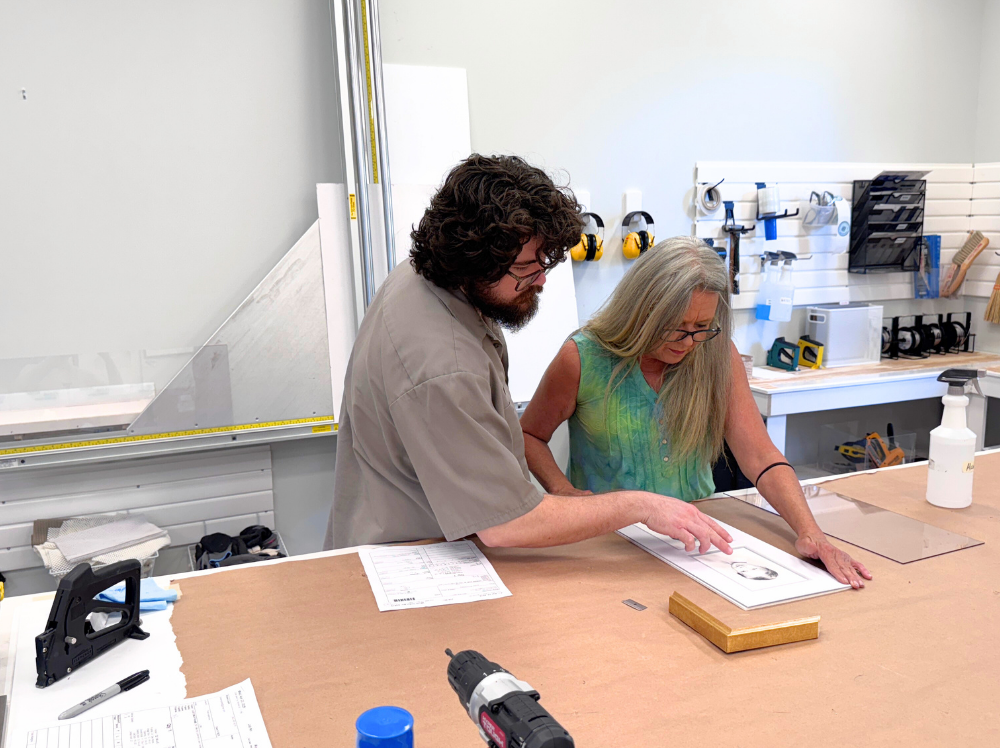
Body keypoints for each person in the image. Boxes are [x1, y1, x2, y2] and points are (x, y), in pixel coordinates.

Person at [324, 155, 733, 557]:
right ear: (471, 264)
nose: (540, 278)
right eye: (524, 267)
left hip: (433, 533)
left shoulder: (426, 277)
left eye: (543, 260)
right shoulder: (443, 365)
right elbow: (505, 524)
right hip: (413, 556)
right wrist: (640, 505)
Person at [520, 236, 872, 589]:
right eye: (676, 326)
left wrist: (812, 534)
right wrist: (562, 491)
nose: (689, 342)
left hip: (699, 540)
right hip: (607, 541)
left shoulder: (717, 354)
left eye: (702, 327)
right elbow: (529, 434)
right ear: (642, 310)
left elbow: (760, 456)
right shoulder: (582, 358)